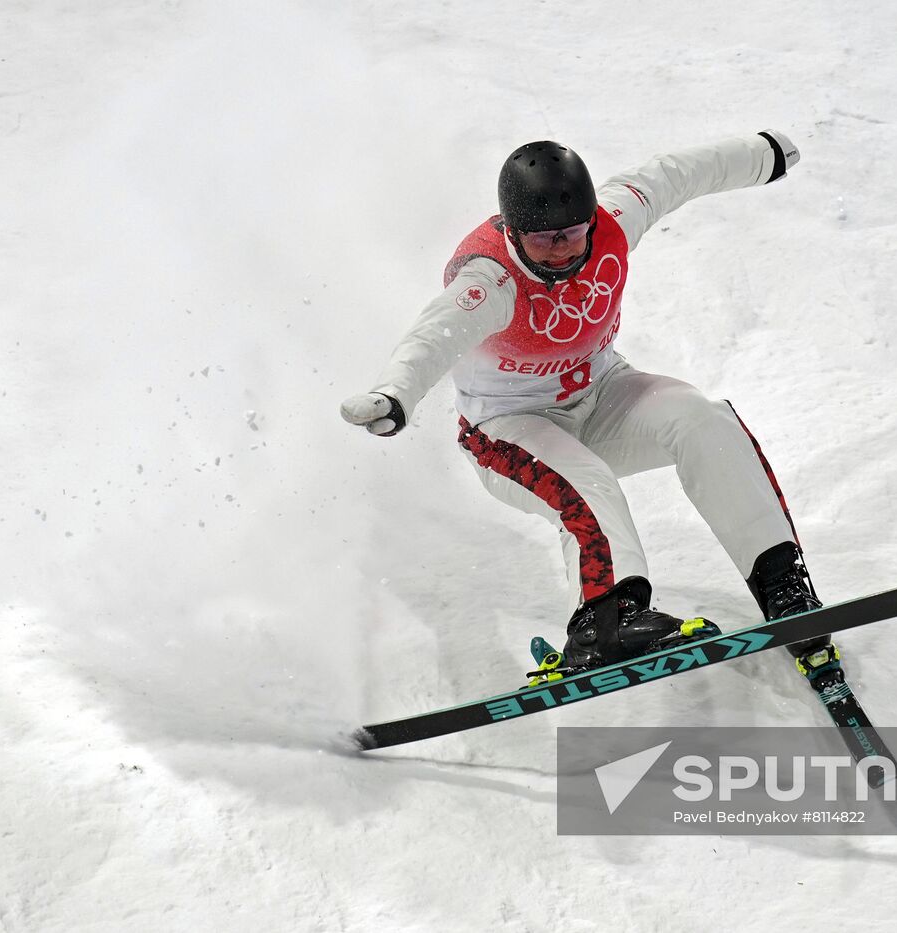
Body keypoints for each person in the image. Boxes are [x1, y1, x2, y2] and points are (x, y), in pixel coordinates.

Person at [340, 134, 844, 693]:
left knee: (703, 420)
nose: (560, 249)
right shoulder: (491, 280)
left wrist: (764, 154)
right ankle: (605, 621)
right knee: (587, 486)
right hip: (510, 431)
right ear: (512, 233)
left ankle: (782, 586)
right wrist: (395, 396)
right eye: (542, 239)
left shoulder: (612, 221)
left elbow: (675, 172)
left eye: (571, 233)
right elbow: (431, 338)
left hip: (603, 395)